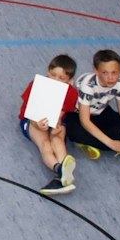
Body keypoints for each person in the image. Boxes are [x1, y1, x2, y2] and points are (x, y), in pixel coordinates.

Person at [21, 54, 79, 196]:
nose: (56, 80)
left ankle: (62, 177)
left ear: (70, 80)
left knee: (58, 141)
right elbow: (30, 111)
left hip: (56, 121)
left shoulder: (71, 93)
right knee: (45, 144)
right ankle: (60, 170)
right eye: (53, 75)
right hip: (32, 119)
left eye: (62, 79)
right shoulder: (37, 85)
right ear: (48, 70)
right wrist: (37, 124)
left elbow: (61, 114)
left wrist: (56, 128)